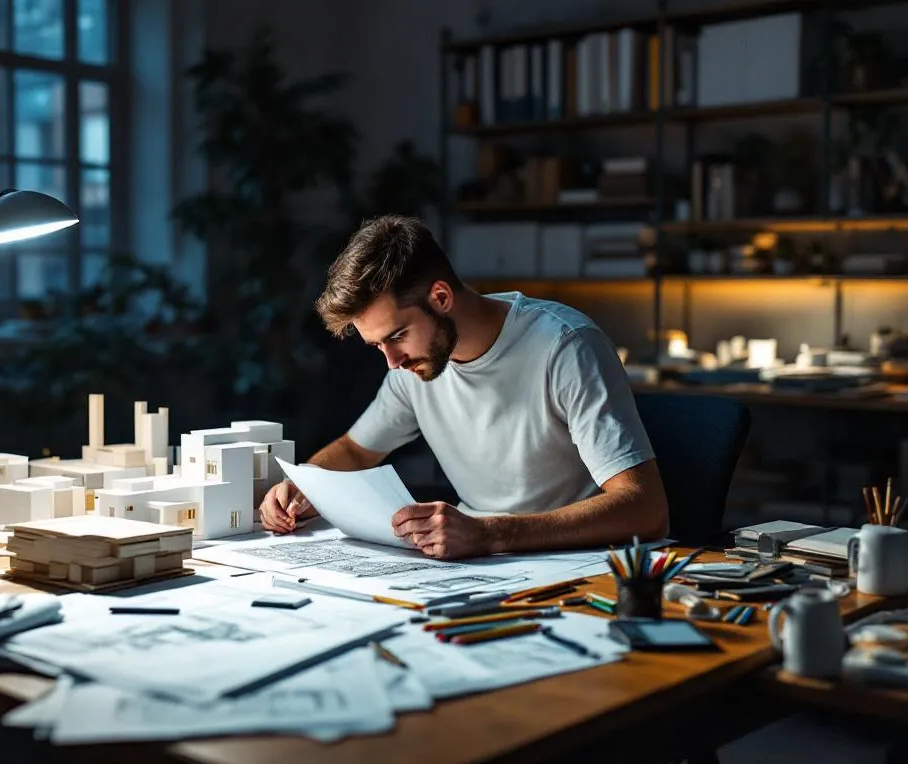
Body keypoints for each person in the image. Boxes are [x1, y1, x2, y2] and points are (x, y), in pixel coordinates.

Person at [257, 214, 668, 559]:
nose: (391, 361)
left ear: (440, 297)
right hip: (474, 563)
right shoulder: (413, 367)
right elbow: (355, 449)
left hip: (570, 563)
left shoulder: (565, 347)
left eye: (397, 336)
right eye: (377, 345)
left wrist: (490, 534)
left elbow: (645, 509)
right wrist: (306, 483)